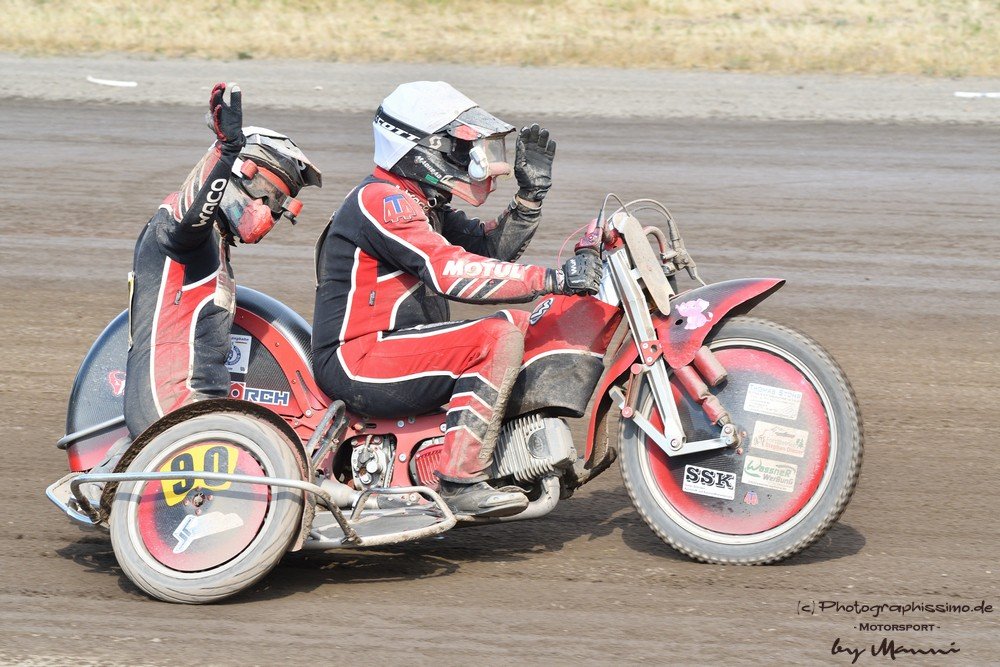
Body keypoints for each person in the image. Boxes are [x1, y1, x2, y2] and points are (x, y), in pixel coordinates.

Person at [312, 81, 601, 518]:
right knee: (495, 337)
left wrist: (529, 198)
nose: (472, 160)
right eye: (459, 147)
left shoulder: (422, 204)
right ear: (421, 148)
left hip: (393, 349)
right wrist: (554, 278)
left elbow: (488, 252)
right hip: (359, 357)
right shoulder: (381, 201)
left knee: (525, 326)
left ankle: (521, 452)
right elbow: (451, 271)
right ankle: (458, 479)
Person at [124, 83, 322, 437]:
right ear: (236, 174)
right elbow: (192, 213)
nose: (268, 211)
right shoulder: (180, 228)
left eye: (279, 205)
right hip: (173, 403)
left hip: (197, 405)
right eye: (267, 193)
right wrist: (226, 150)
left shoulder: (215, 244)